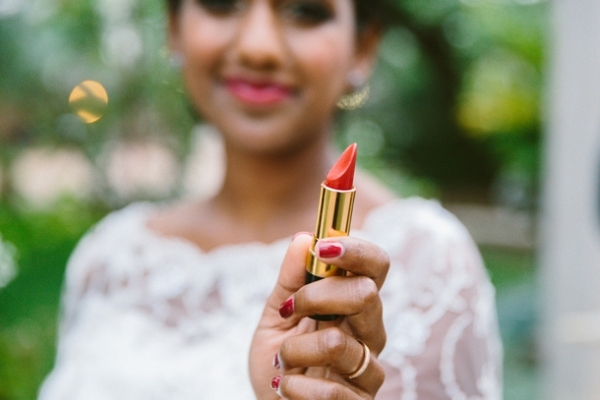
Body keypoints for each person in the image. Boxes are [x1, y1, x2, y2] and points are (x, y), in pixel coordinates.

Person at [39, 0, 502, 398]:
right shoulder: (110, 257)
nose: (258, 46)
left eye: (305, 10)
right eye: (221, 3)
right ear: (174, 29)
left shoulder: (426, 260)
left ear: (362, 48)